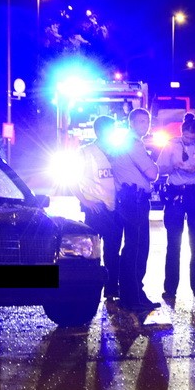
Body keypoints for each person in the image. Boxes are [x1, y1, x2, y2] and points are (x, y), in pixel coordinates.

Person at [157, 116, 195, 305]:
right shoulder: (171, 145)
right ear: (182, 133)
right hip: (175, 194)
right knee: (174, 242)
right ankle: (170, 288)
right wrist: (173, 166)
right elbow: (160, 169)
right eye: (187, 137)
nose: (189, 141)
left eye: (193, 138)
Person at [109, 108, 160, 312]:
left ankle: (127, 293)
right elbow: (152, 173)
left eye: (146, 121)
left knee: (130, 247)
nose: (144, 125)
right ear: (131, 123)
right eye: (139, 121)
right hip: (135, 200)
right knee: (138, 247)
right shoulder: (134, 143)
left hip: (126, 199)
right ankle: (135, 296)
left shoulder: (123, 142)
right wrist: (154, 165)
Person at [70, 115, 122, 302]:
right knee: (91, 252)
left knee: (113, 250)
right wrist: (86, 201)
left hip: (115, 208)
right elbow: (72, 180)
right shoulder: (85, 152)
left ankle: (111, 289)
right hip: (95, 209)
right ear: (99, 132)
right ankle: (89, 291)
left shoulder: (117, 152)